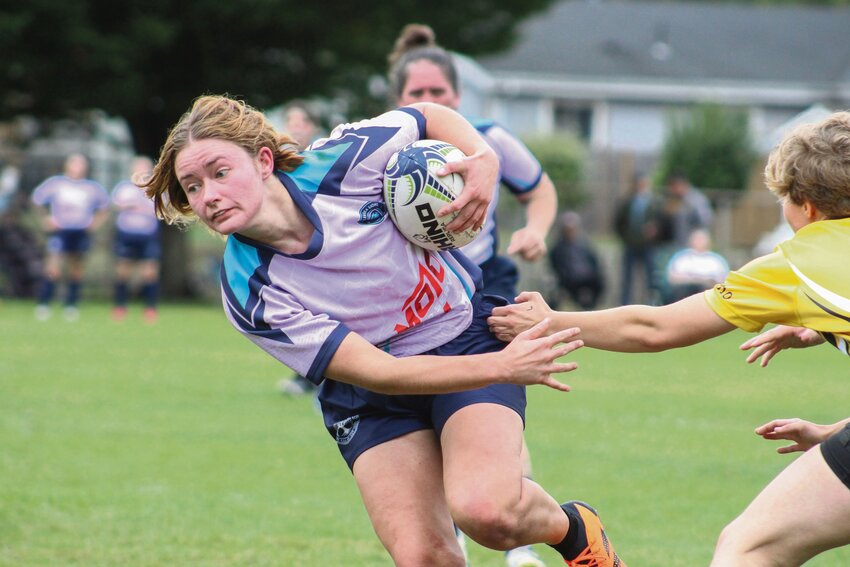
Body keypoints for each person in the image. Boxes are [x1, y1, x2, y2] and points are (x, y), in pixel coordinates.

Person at [141, 95, 627, 567]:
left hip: (459, 335)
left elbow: (427, 115)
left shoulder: (343, 162)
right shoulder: (248, 289)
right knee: (423, 557)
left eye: (220, 173)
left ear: (264, 161)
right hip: (370, 388)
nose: (209, 196)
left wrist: (483, 160)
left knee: (488, 512)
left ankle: (575, 530)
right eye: (193, 187)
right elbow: (381, 371)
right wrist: (504, 365)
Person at [488, 111, 850, 566]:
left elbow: (654, 328)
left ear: (808, 207)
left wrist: (552, 319)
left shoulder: (797, 263)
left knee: (750, 547)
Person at [388, 24, 560, 567]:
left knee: (490, 411)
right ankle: (452, 533)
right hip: (408, 307)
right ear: (399, 100)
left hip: (485, 292)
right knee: (428, 423)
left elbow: (540, 190)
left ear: (456, 97)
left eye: (438, 93)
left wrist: (538, 229)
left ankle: (522, 544)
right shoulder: (380, 155)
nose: (429, 101)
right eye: (418, 94)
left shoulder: (488, 139)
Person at [31, 153, 110, 321]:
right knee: (53, 267)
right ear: (67, 166)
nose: (77, 168)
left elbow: (105, 208)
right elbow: (36, 200)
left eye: (80, 165)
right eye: (74, 164)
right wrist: (46, 219)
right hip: (61, 231)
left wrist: (94, 223)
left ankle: (71, 304)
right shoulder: (56, 183)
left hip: (80, 231)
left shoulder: (91, 187)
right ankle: (44, 303)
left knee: (76, 268)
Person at [110, 156, 161, 323]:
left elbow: (162, 210)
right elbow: (115, 205)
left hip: (148, 236)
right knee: (122, 271)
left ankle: (150, 308)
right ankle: (120, 306)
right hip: (126, 234)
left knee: (150, 272)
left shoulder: (155, 189)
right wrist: (130, 205)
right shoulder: (124, 188)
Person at [613, 172, 661, 305]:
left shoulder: (654, 202)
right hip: (631, 245)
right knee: (627, 277)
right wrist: (626, 237)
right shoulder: (627, 202)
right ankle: (625, 304)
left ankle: (651, 303)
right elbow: (618, 223)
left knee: (651, 277)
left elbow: (660, 222)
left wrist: (654, 231)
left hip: (648, 246)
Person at [549, 211, 604, 311]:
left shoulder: (584, 244)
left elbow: (594, 261)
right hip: (569, 279)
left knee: (600, 282)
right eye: (568, 229)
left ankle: (590, 308)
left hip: (588, 277)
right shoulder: (558, 248)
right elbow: (556, 266)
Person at [662, 228, 728, 304]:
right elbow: (672, 278)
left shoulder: (716, 260)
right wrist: (694, 280)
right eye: (697, 239)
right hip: (684, 293)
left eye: (702, 239)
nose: (699, 242)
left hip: (708, 293)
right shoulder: (682, 257)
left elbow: (724, 280)